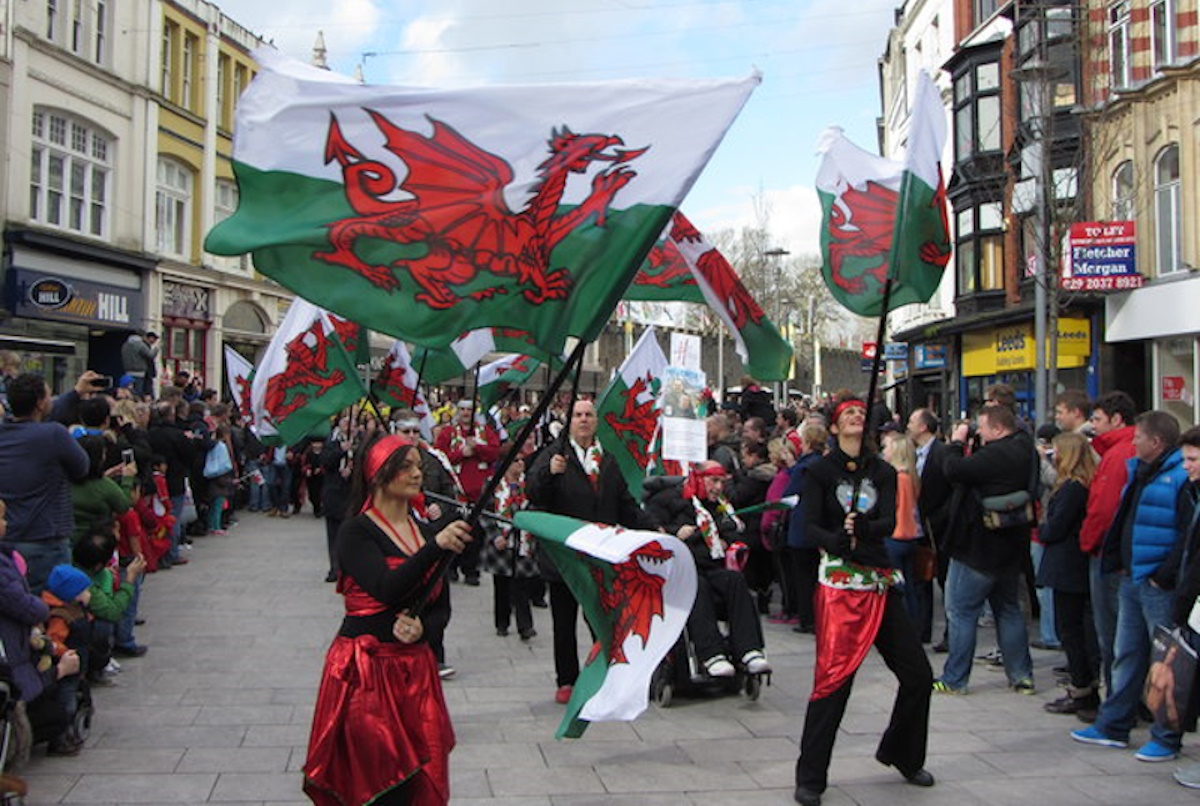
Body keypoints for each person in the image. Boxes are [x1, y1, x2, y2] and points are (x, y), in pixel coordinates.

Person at [303, 432, 472, 806]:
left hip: (415, 673)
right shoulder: (356, 532)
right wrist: (436, 547)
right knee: (379, 784)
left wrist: (424, 628)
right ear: (380, 474)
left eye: (418, 466)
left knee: (419, 779)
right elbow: (386, 587)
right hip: (367, 676)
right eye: (406, 466)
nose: (417, 474)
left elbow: (439, 604)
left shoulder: (425, 531)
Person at [792, 397, 933, 806]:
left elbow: (890, 520)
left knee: (918, 675)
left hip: (878, 579)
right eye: (845, 415)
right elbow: (810, 525)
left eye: (858, 413)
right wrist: (838, 539)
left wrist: (867, 527)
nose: (854, 416)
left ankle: (903, 753)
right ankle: (811, 777)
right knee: (833, 683)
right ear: (834, 428)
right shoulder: (820, 471)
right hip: (839, 586)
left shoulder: (883, 471)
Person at [1072, 410, 1189, 762]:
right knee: (1126, 653)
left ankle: (1166, 735)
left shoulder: (1179, 478)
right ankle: (1114, 724)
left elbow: (1187, 536)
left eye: (1139, 437)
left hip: (1157, 584)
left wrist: (1163, 574)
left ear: (1157, 441)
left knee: (1165, 663)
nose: (1133, 441)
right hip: (1132, 576)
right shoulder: (1139, 471)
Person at [527, 398, 652, 704]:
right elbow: (533, 492)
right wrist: (549, 474)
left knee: (602, 618)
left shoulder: (607, 460)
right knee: (564, 621)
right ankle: (566, 680)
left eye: (588, 415)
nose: (583, 420)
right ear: (569, 422)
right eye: (578, 415)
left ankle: (605, 672)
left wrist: (652, 528)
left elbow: (626, 505)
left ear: (596, 421)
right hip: (565, 559)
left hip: (600, 557)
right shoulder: (554, 455)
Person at [933, 404, 1037, 695]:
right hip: (1012, 546)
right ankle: (1021, 675)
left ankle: (955, 679)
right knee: (1009, 610)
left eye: (983, 427)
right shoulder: (1026, 451)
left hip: (977, 547)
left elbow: (953, 469)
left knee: (961, 611)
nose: (979, 432)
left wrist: (956, 442)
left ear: (999, 428)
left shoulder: (995, 455)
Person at [0, 501, 82, 757]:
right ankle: (57, 736)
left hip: (18, 651)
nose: (6, 523)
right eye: (2, 518)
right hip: (12, 660)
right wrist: (58, 671)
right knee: (53, 709)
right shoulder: (3, 568)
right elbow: (23, 604)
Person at [0, 373, 90, 593]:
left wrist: (76, 393)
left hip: (7, 538)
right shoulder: (54, 435)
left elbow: (39, 423)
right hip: (46, 539)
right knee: (53, 610)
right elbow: (82, 468)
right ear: (40, 403)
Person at [1079, 390, 1138, 702]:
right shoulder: (1124, 450)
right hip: (1119, 554)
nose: (1093, 426)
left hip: (1107, 554)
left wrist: (1087, 542)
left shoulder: (1117, 455)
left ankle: (1118, 703)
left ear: (1116, 420)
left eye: (1098, 420)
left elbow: (1104, 510)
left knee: (1112, 633)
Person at [1037, 432, 1100, 716]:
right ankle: (1084, 685)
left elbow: (1055, 527)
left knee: (1072, 629)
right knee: (1076, 627)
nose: (1054, 456)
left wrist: (1043, 528)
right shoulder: (1082, 485)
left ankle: (1083, 688)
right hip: (1072, 563)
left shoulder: (1073, 488)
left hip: (1067, 563)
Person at [907, 408, 951, 648]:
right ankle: (922, 630)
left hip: (939, 530)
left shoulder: (942, 454)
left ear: (924, 426)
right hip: (920, 530)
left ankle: (951, 635)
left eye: (912, 421)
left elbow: (950, 493)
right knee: (921, 579)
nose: (908, 425)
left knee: (946, 584)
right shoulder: (915, 454)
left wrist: (937, 520)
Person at [881, 431, 921, 624]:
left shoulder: (896, 478)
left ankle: (903, 627)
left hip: (895, 534)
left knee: (897, 586)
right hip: (910, 534)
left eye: (886, 447)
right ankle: (914, 625)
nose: (883, 451)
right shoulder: (910, 476)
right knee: (909, 585)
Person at [120, 331, 158, 399]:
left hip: (128, 371)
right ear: (143, 336)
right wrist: (156, 349)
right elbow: (150, 355)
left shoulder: (125, 344)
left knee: (129, 390)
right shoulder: (140, 345)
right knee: (138, 391)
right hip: (139, 371)